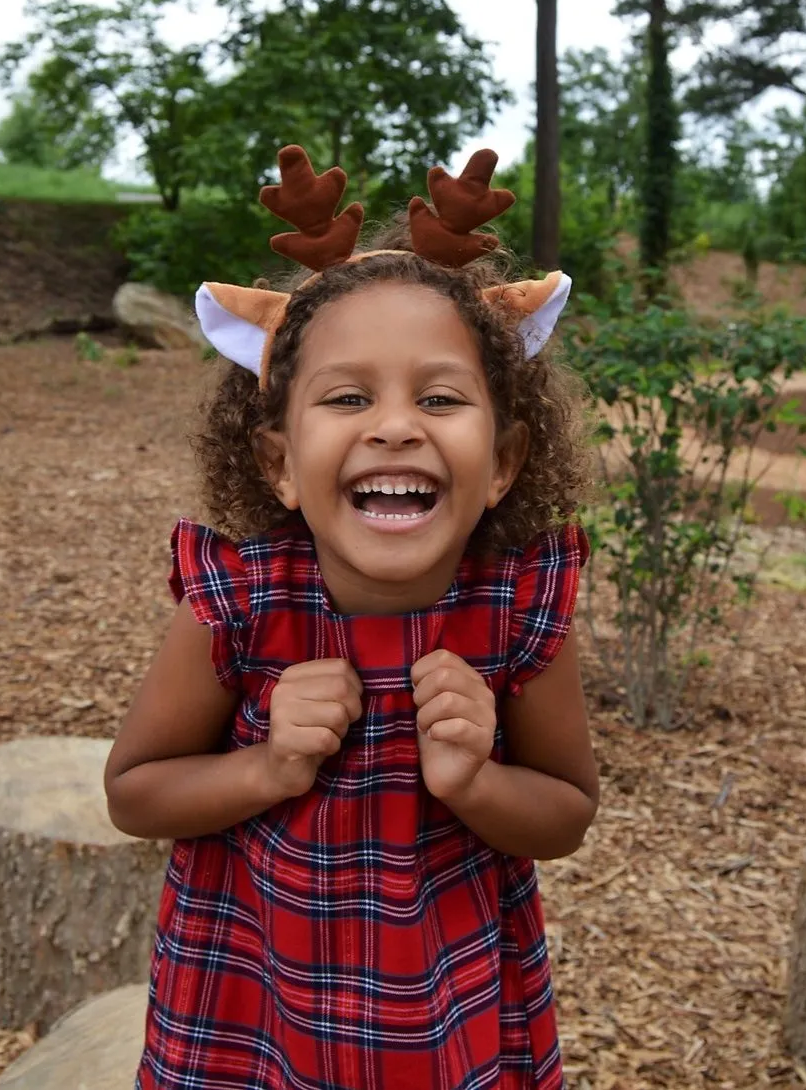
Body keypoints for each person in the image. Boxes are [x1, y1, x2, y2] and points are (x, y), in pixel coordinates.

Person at [105, 144, 599, 1090]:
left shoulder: (516, 610)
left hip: (448, 1019)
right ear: (278, 462)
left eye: (441, 397)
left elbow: (566, 813)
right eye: (346, 397)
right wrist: (269, 766)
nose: (395, 425)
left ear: (502, 462)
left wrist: (475, 782)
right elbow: (133, 793)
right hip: (248, 1020)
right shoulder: (241, 605)